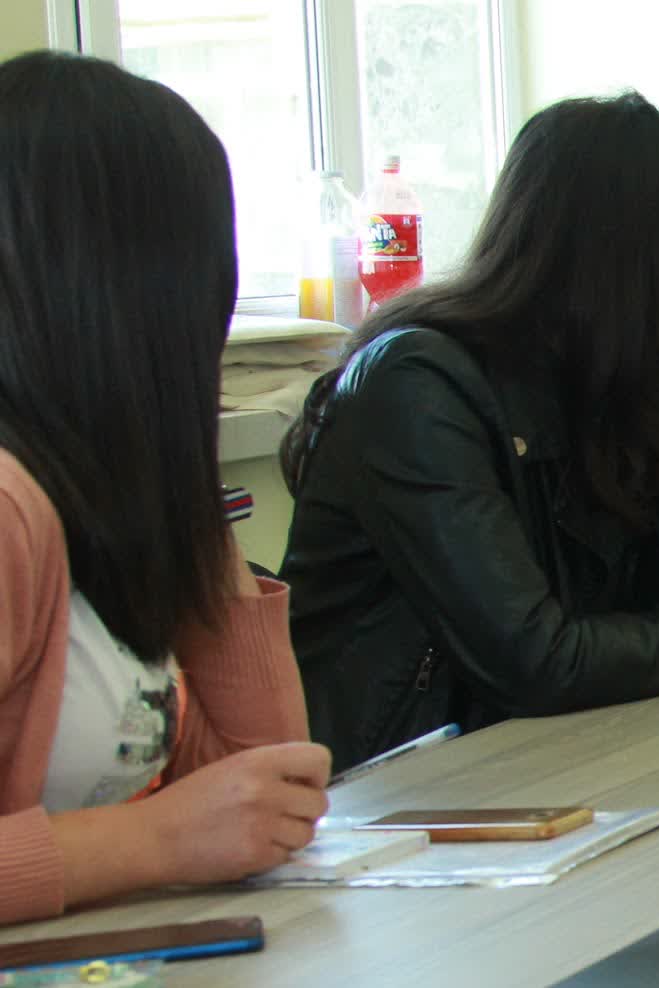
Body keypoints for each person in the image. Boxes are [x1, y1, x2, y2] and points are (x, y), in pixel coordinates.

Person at [279, 93, 659, 773]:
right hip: (392, 790)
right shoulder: (418, 386)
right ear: (627, 263)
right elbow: (535, 657)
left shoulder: (591, 382)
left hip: (541, 758)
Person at [0, 51, 328, 926]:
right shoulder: (6, 508)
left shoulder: (83, 490)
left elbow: (269, 794)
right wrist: (154, 842)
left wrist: (184, 484)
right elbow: (198, 827)